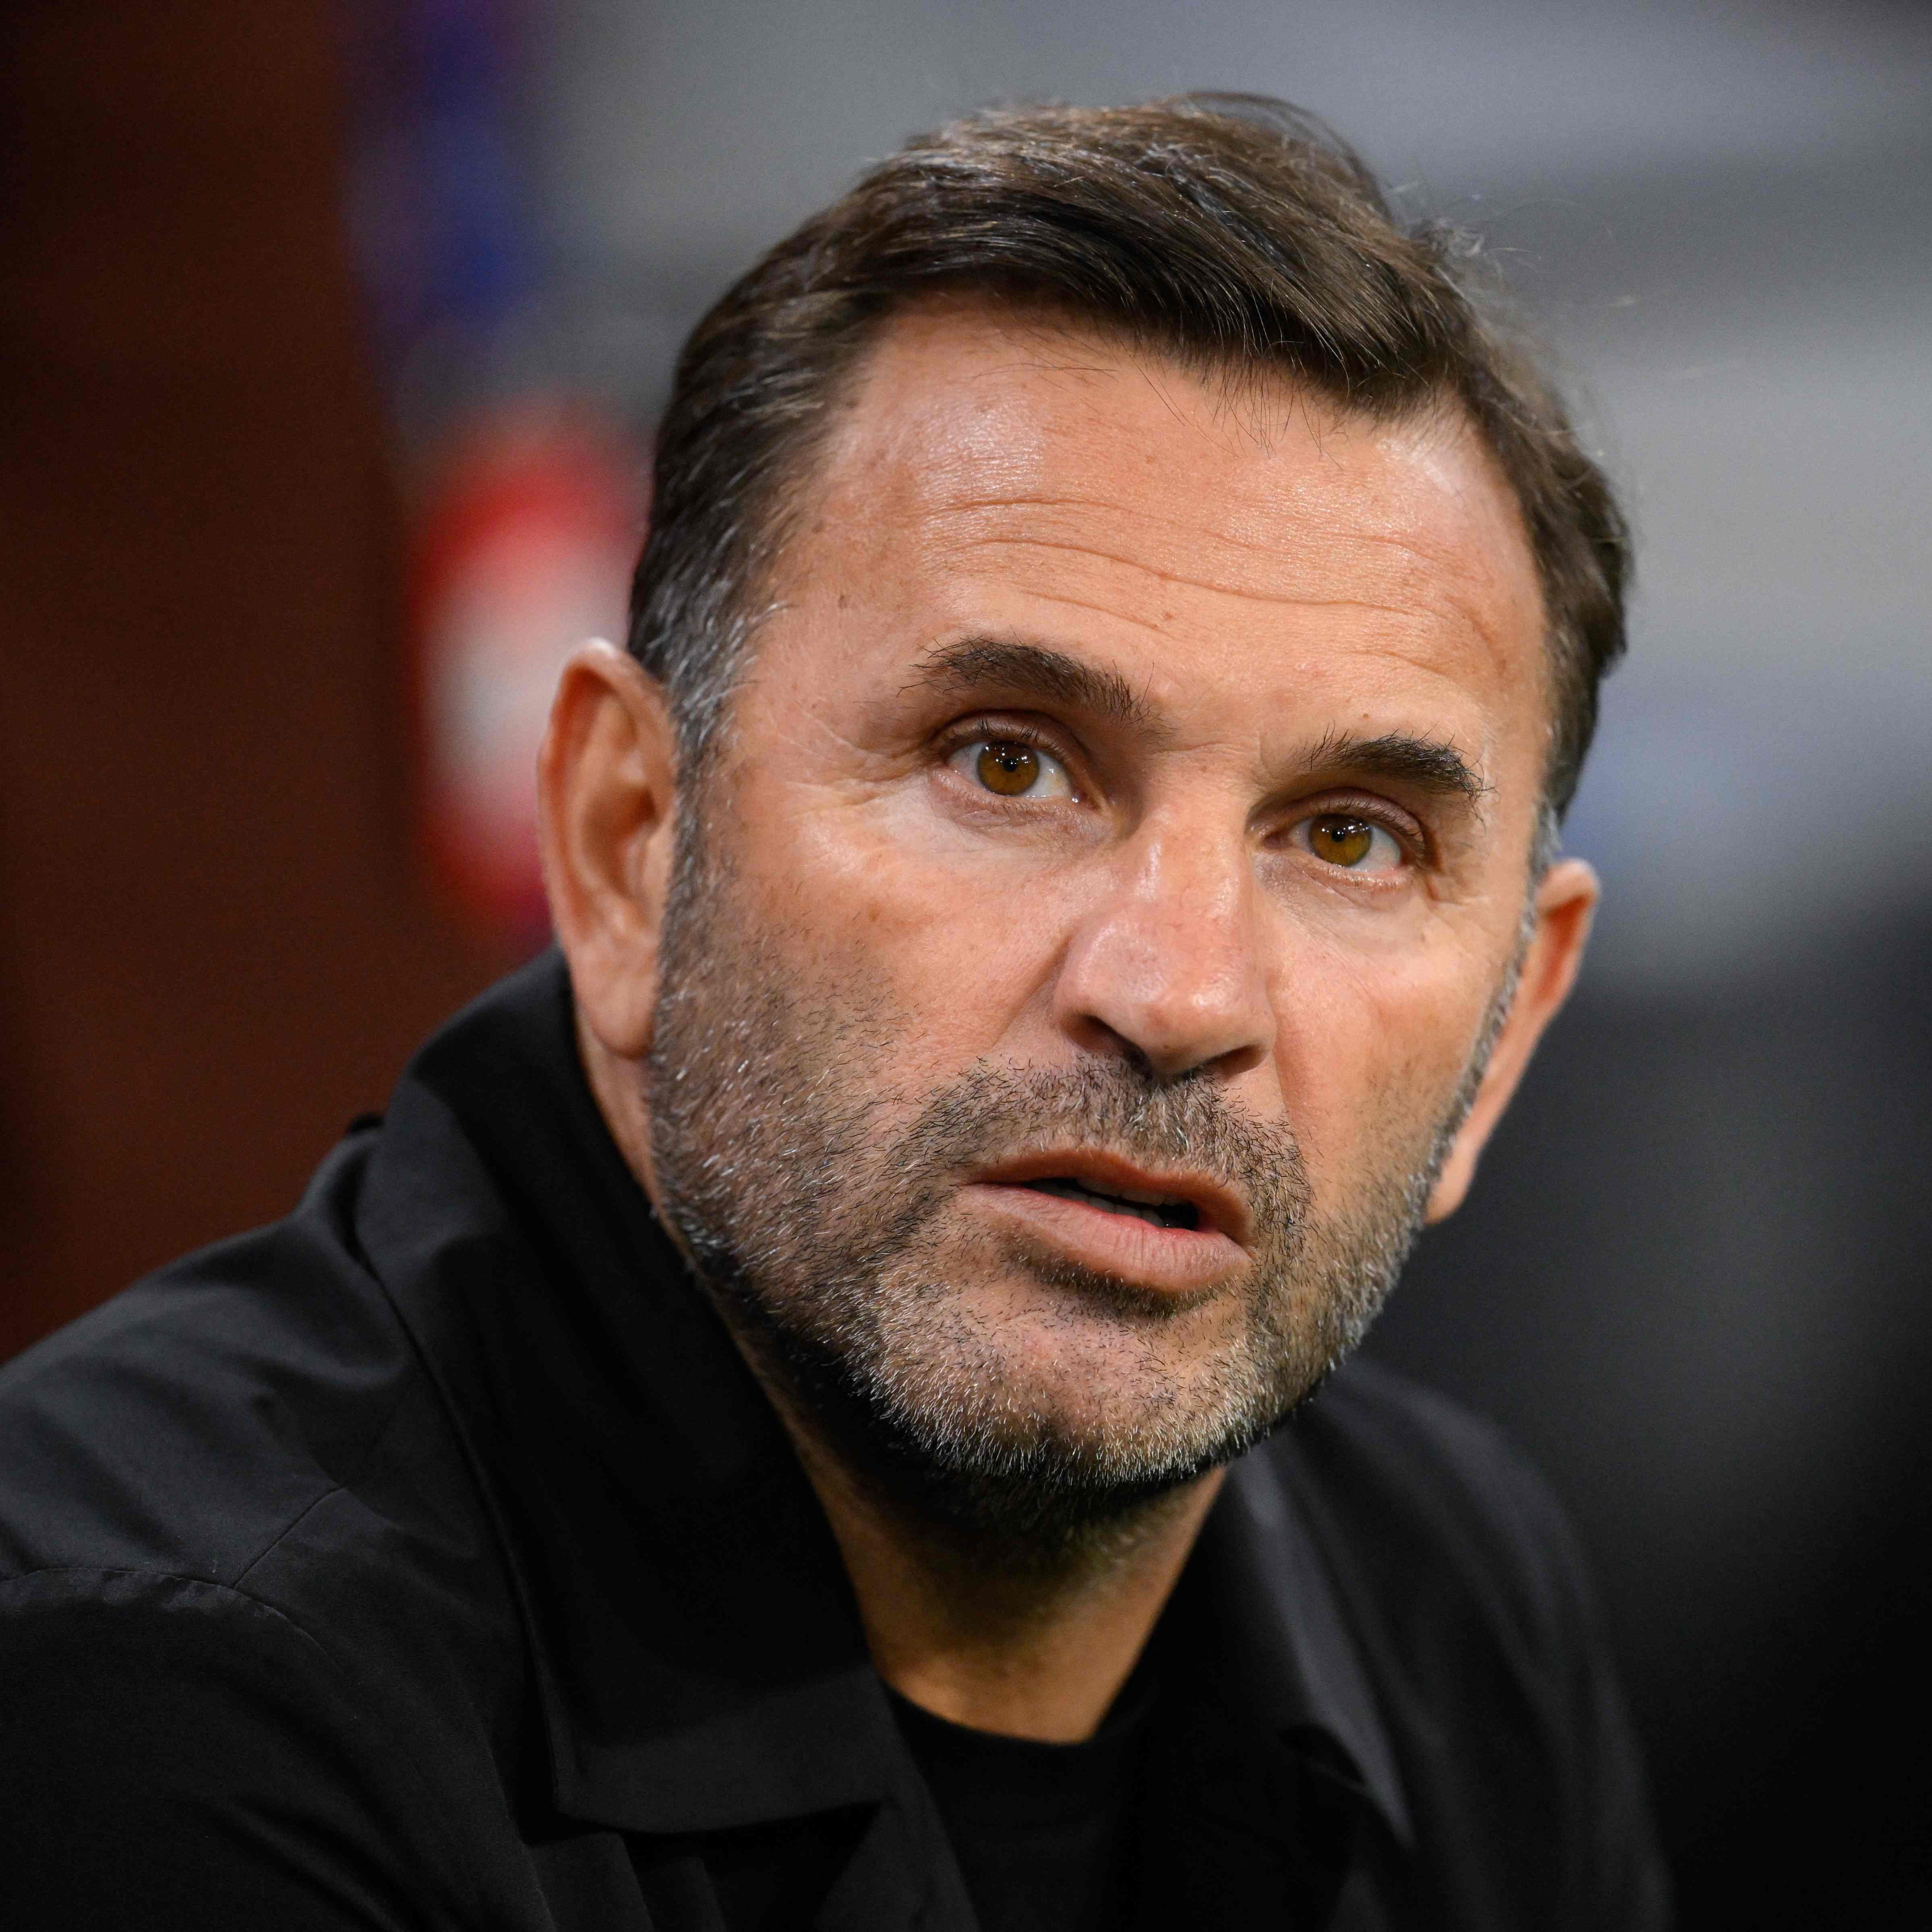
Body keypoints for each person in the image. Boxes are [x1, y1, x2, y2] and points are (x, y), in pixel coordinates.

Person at [0, 97, 1670, 1929]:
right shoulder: (163, 1692)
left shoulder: (1449, 1608)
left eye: (1350, 838)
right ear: (629, 841)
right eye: (1008, 763)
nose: (1178, 991)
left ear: (1507, 1030)